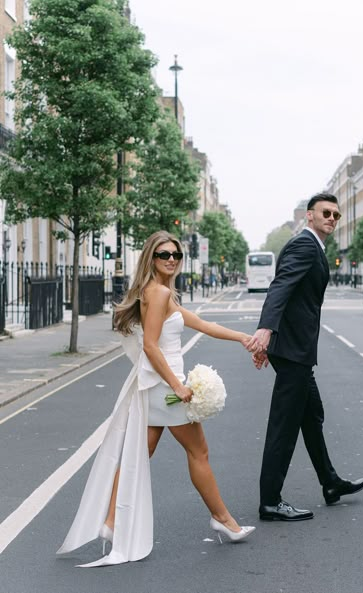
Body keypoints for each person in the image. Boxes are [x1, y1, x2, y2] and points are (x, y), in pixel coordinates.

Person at [57, 230, 255, 567]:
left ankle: (110, 523)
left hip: (160, 386)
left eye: (176, 255)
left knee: (141, 450)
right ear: (152, 257)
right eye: (164, 255)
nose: (172, 260)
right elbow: (150, 345)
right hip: (167, 387)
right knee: (199, 451)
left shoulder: (162, 294)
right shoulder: (158, 293)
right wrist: (177, 387)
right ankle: (223, 520)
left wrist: (242, 337)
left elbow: (202, 324)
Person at [247, 193, 363, 521]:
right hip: (292, 350)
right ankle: (270, 501)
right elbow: (281, 286)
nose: (331, 218)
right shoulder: (305, 245)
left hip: (296, 349)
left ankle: (330, 483)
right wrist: (266, 329)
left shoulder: (314, 246)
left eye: (336, 215)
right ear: (310, 216)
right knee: (283, 427)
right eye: (325, 213)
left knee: (311, 414)